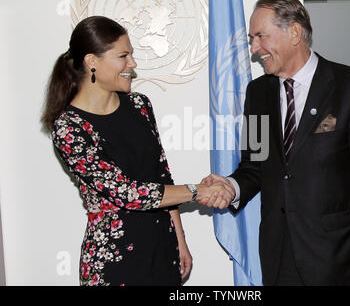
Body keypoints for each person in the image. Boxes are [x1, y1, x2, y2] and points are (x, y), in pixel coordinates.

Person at [201, 0, 350, 286]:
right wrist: (231, 186)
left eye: (260, 36)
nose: (254, 49)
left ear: (294, 32)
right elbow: (255, 164)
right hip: (280, 256)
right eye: (252, 39)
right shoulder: (258, 93)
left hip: (340, 257)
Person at [41, 16, 231, 286]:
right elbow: (128, 193)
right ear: (91, 61)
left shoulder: (140, 105)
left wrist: (179, 238)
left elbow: (161, 174)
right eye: (123, 55)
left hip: (162, 249)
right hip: (114, 260)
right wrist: (197, 190)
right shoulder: (68, 127)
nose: (132, 64)